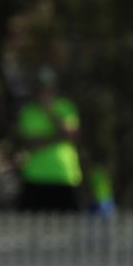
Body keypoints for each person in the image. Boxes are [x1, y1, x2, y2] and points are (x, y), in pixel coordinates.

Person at [15, 66, 83, 212]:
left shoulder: (65, 107)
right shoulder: (29, 111)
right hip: (36, 177)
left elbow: (73, 135)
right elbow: (31, 143)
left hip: (65, 176)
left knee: (71, 227)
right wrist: (59, 137)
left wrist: (50, 111)